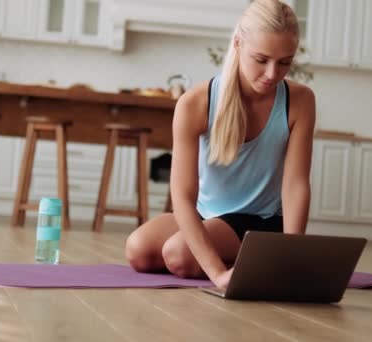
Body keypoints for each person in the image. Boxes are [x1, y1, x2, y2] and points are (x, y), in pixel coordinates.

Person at [125, 0, 316, 289]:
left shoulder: (299, 101)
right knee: (138, 250)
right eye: (261, 60)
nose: (272, 74)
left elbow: (295, 185)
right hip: (208, 212)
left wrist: (291, 255)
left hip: (261, 220)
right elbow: (182, 194)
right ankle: (249, 262)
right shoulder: (195, 103)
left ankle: (261, 258)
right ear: (238, 44)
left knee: (178, 254)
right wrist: (217, 274)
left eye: (285, 63)